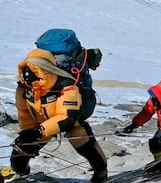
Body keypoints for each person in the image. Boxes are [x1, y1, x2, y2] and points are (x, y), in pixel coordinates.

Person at [10, 49, 107, 182]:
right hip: (42, 125)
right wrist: (27, 132)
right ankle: (23, 176)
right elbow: (24, 112)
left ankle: (101, 174)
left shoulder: (67, 87)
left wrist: (38, 131)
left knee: (86, 147)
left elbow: (66, 118)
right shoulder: (24, 88)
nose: (27, 74)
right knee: (19, 155)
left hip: (69, 124)